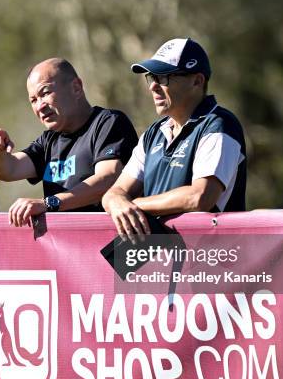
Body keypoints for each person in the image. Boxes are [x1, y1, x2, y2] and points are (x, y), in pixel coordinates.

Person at [102, 38, 247, 239]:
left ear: (197, 81)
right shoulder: (153, 133)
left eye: (164, 78)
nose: (153, 87)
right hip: (158, 262)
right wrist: (117, 202)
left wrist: (132, 206)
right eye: (152, 78)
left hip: (212, 261)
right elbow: (114, 192)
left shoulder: (220, 124)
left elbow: (199, 197)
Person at [0, 58, 138, 226]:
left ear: (76, 88)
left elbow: (108, 179)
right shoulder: (48, 140)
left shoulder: (108, 123)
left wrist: (49, 203)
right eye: (33, 100)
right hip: (66, 248)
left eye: (45, 93)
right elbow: (8, 170)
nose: (39, 106)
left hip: (114, 243)